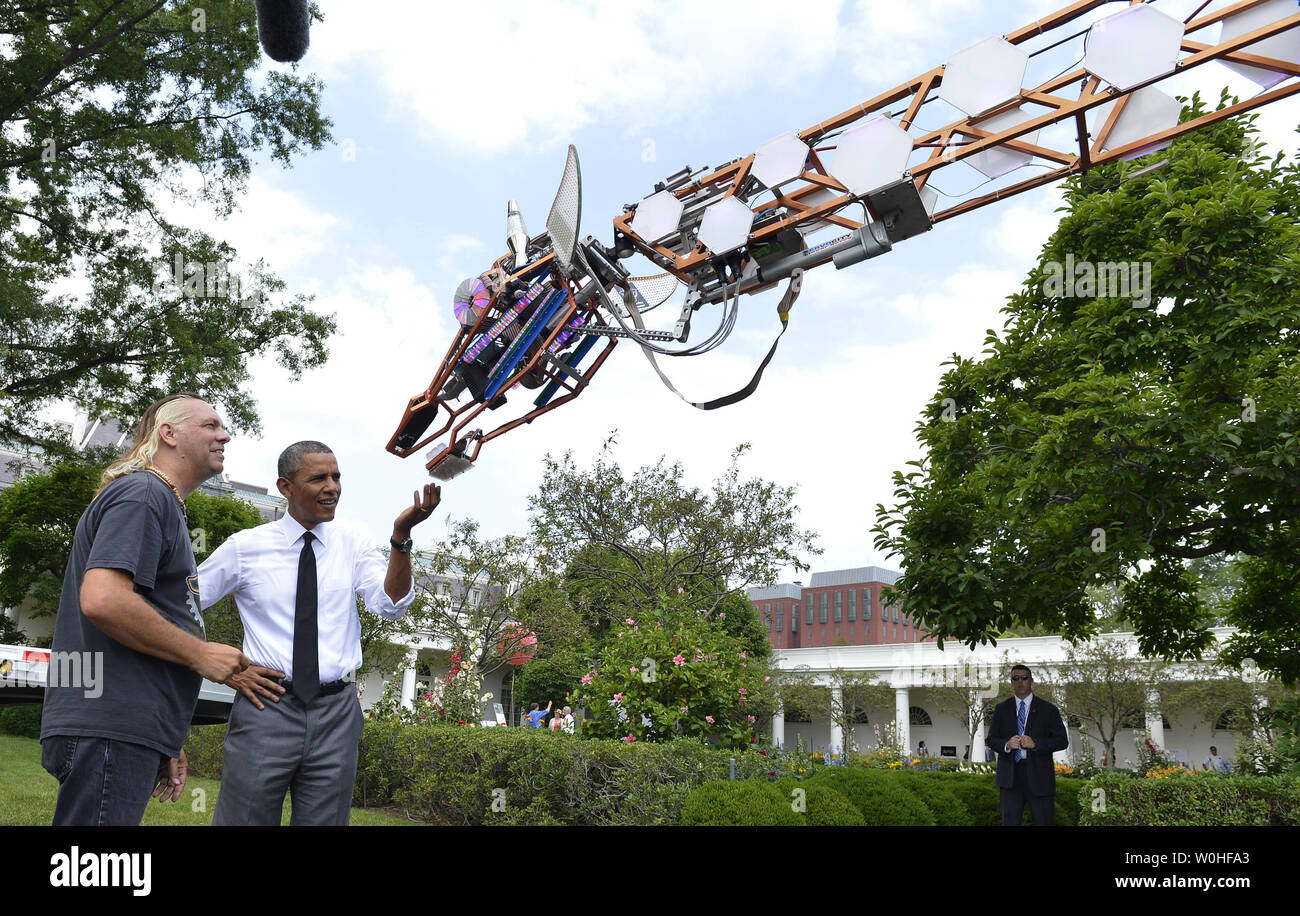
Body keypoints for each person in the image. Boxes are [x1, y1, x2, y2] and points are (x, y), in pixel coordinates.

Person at [197, 441, 438, 825]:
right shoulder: (245, 548)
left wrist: (401, 537)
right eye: (319, 478)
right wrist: (212, 660)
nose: (332, 487)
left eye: (336, 476)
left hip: (336, 713)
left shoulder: (353, 543)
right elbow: (183, 603)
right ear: (286, 487)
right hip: (267, 707)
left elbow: (390, 605)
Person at [40, 394, 249, 825]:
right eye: (210, 425)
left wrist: (164, 734)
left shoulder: (157, 498)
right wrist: (200, 654)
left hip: (122, 722)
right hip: (108, 722)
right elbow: (103, 598)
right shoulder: (143, 494)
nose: (224, 435)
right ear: (168, 434)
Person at [985, 664, 1068, 826]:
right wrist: (1007, 744)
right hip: (1010, 778)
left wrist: (1035, 743)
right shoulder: (1001, 709)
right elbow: (992, 739)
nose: (1020, 681)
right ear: (1011, 682)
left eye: (1024, 678)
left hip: (1040, 777)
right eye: (1016, 678)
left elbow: (1062, 740)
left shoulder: (1048, 710)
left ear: (1031, 681)